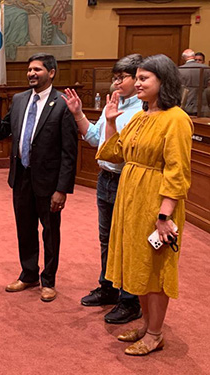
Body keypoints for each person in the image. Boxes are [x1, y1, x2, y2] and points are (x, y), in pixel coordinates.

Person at [98, 54, 192, 355]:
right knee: (136, 263)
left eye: (143, 79)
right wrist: (111, 121)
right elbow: (114, 153)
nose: (136, 83)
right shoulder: (140, 116)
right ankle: (146, 325)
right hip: (131, 198)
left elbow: (177, 173)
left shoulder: (176, 119)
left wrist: (164, 215)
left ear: (163, 82)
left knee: (155, 269)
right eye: (136, 78)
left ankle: (155, 333)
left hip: (156, 201)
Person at [0, 53, 77, 302]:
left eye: (37, 69)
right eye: (29, 70)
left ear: (51, 72)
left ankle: (49, 281)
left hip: (49, 182)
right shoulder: (19, 99)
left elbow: (69, 152)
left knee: (50, 233)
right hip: (21, 177)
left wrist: (62, 189)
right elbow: (3, 132)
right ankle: (29, 274)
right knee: (25, 228)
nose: (31, 73)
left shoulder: (63, 104)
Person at [62, 55, 143, 324]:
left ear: (138, 78)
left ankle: (130, 300)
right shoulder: (113, 104)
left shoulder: (144, 112)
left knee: (127, 241)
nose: (116, 82)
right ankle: (108, 287)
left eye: (123, 77)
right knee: (106, 239)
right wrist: (78, 114)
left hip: (128, 181)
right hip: (105, 179)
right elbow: (95, 139)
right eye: (115, 77)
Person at [179, 48, 210, 115]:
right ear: (193, 56)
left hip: (186, 104)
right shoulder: (207, 69)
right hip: (203, 105)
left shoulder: (180, 69)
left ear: (183, 58)